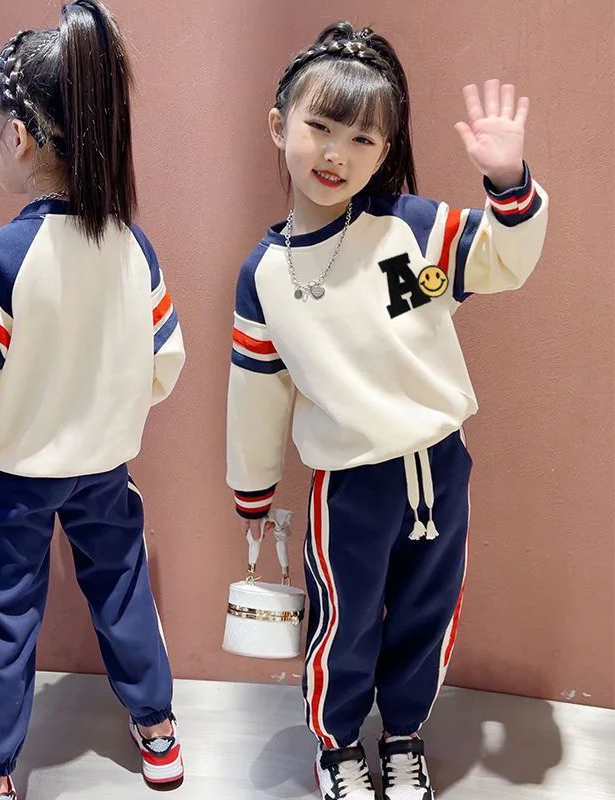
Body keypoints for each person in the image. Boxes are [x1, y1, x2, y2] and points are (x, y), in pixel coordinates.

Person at [226, 20, 547, 800]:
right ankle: (337, 746)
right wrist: (253, 492)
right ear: (279, 125)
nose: (336, 153)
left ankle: (404, 735)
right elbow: (257, 389)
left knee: (427, 612)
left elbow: (501, 263)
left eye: (362, 138)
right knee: (345, 619)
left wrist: (508, 184)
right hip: (349, 484)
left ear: (386, 149)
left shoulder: (413, 231)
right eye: (320, 126)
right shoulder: (264, 276)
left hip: (439, 465)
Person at [0, 3, 185, 797]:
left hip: (12, 476)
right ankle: (160, 734)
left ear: (17, 136)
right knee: (123, 586)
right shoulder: (131, 245)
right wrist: (109, 417)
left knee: (3, 614)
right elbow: (166, 359)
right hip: (105, 468)